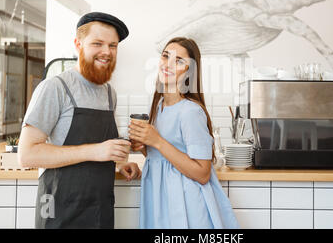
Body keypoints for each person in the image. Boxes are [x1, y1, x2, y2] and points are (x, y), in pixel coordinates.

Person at [18, 12, 141, 229]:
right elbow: (27, 155)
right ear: (78, 44)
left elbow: (101, 148)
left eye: (112, 45)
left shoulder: (109, 93)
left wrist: (119, 163)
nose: (107, 52)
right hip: (59, 210)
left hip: (99, 210)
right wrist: (96, 151)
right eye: (98, 43)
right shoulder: (55, 88)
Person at [129, 37, 239, 228]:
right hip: (160, 197)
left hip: (186, 203)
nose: (168, 64)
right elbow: (162, 157)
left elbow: (202, 173)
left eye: (179, 61)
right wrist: (143, 146)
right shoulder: (158, 106)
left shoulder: (190, 112)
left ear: (190, 72)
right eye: (166, 56)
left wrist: (157, 141)